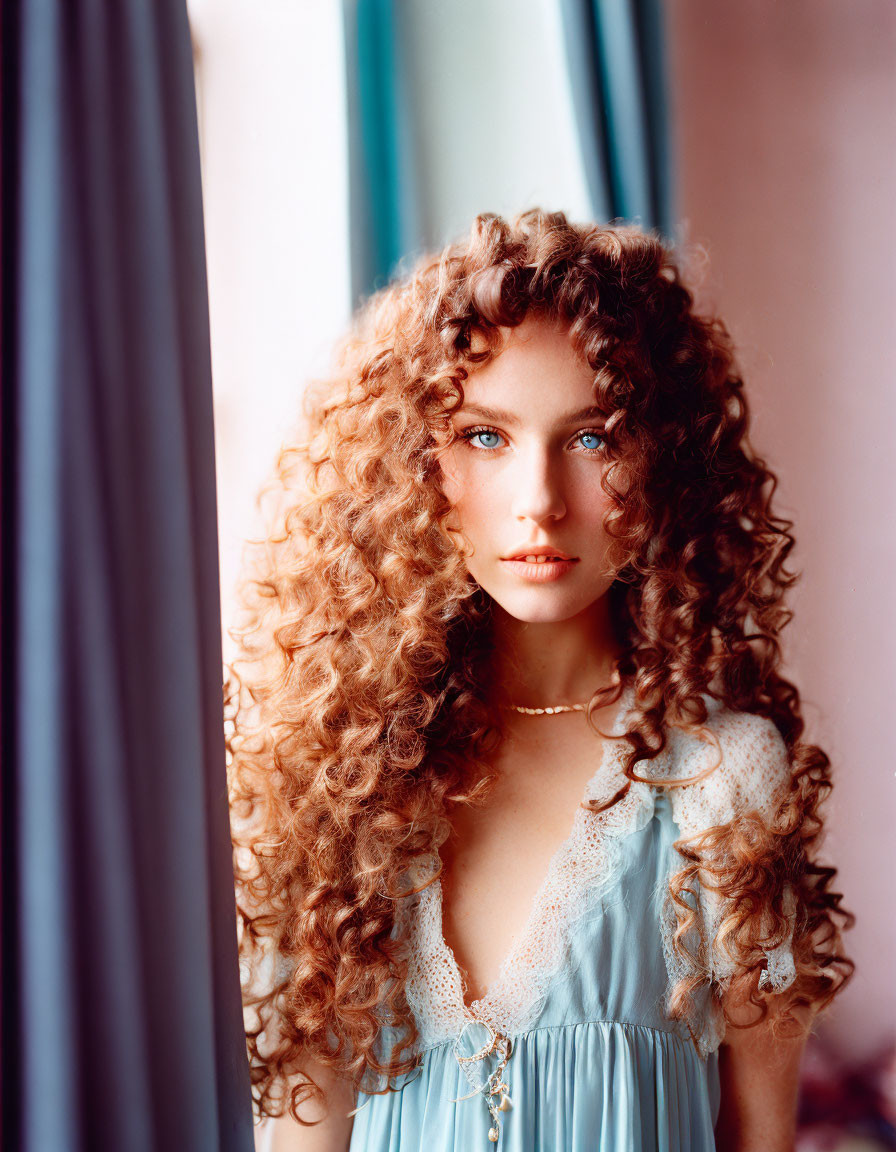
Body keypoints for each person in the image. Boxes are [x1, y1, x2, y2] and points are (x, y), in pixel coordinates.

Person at [226, 208, 854, 1152]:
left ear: (666, 460)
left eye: (592, 438)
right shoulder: (344, 784)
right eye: (486, 437)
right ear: (413, 462)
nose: (540, 501)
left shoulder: (722, 785)